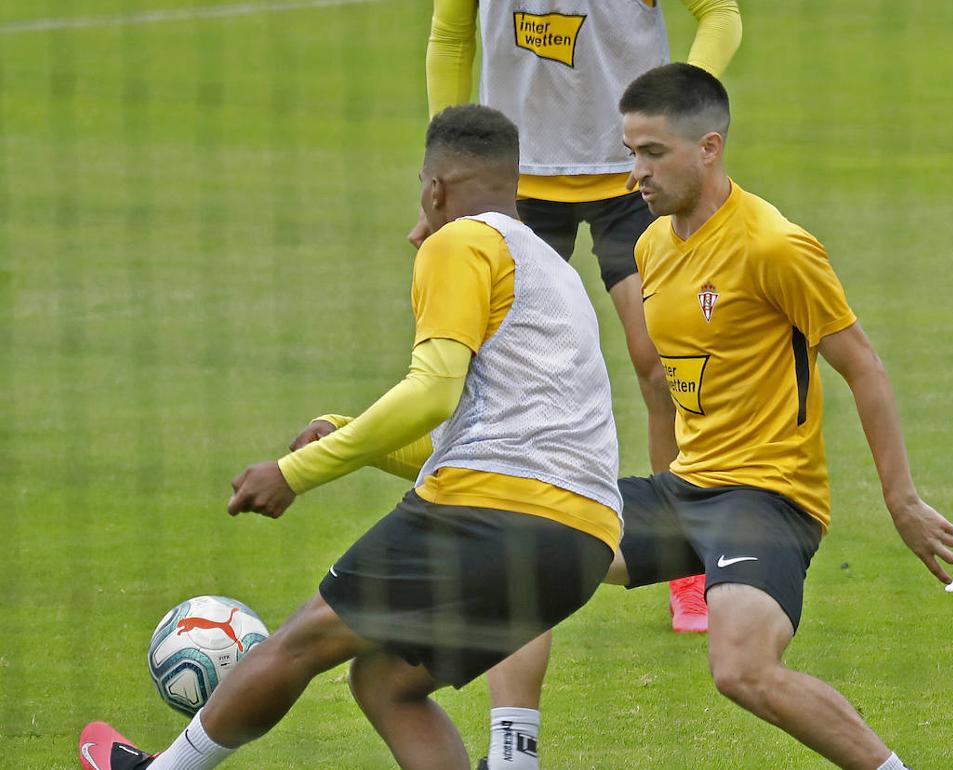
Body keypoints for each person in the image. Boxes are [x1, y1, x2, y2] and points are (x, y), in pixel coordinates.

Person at [76, 104, 623, 770]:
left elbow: (432, 391)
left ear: (434, 189)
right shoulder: (554, 273)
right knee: (385, 680)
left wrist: (294, 473)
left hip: (489, 516)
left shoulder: (459, 242)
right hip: (583, 542)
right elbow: (477, 433)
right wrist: (348, 434)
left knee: (300, 643)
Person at [471, 64, 953, 769]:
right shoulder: (650, 246)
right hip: (686, 492)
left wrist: (903, 500)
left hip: (767, 499)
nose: (633, 173)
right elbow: (674, 388)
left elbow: (864, 368)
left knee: (741, 670)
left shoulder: (774, 247)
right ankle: (512, 759)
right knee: (520, 543)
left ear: (708, 147)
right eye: (629, 152)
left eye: (652, 153)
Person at [413, 0, 744, 641]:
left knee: (661, 367)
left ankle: (686, 569)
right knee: (482, 372)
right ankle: (469, 551)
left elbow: (721, 14)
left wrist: (675, 117)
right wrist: (444, 177)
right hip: (511, 182)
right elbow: (450, 36)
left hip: (632, 179)